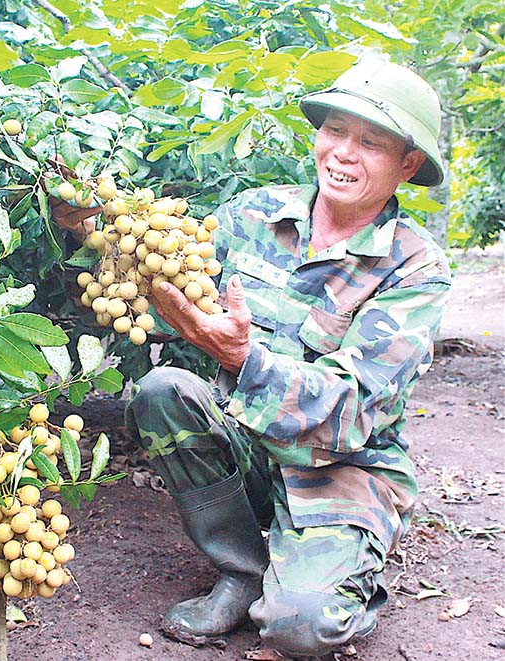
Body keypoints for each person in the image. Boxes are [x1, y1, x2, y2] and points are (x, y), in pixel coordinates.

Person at [54, 59, 451, 657]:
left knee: (303, 628)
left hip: (342, 465)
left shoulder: (416, 269)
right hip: (246, 436)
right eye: (335, 132)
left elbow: (350, 409)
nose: (343, 153)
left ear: (408, 164)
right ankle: (243, 568)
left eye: (371, 142)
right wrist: (98, 232)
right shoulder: (253, 213)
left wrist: (245, 361)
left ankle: (335, 572)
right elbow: (174, 294)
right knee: (163, 391)